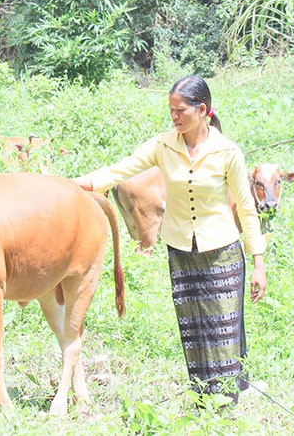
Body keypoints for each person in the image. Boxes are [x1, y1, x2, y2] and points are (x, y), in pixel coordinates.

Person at [74, 74, 267, 406]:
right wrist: (77, 184)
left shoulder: (227, 152)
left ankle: (226, 403)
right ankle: (202, 398)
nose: (174, 117)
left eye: (180, 111)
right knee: (193, 328)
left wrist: (258, 263)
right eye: (171, 110)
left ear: (202, 110)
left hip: (222, 252)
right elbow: (120, 170)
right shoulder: (163, 146)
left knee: (223, 328)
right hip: (180, 251)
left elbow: (247, 209)